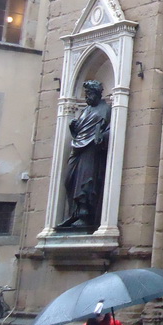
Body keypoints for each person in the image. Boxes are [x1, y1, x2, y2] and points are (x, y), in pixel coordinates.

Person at [58, 80, 111, 229]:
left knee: (86, 181)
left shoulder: (105, 109)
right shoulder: (86, 110)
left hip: (91, 150)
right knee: (70, 180)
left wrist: (101, 137)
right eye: (86, 93)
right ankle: (73, 214)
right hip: (78, 149)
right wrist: (73, 127)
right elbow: (81, 130)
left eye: (89, 93)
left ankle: (85, 214)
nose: (87, 96)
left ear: (97, 94)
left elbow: (109, 130)